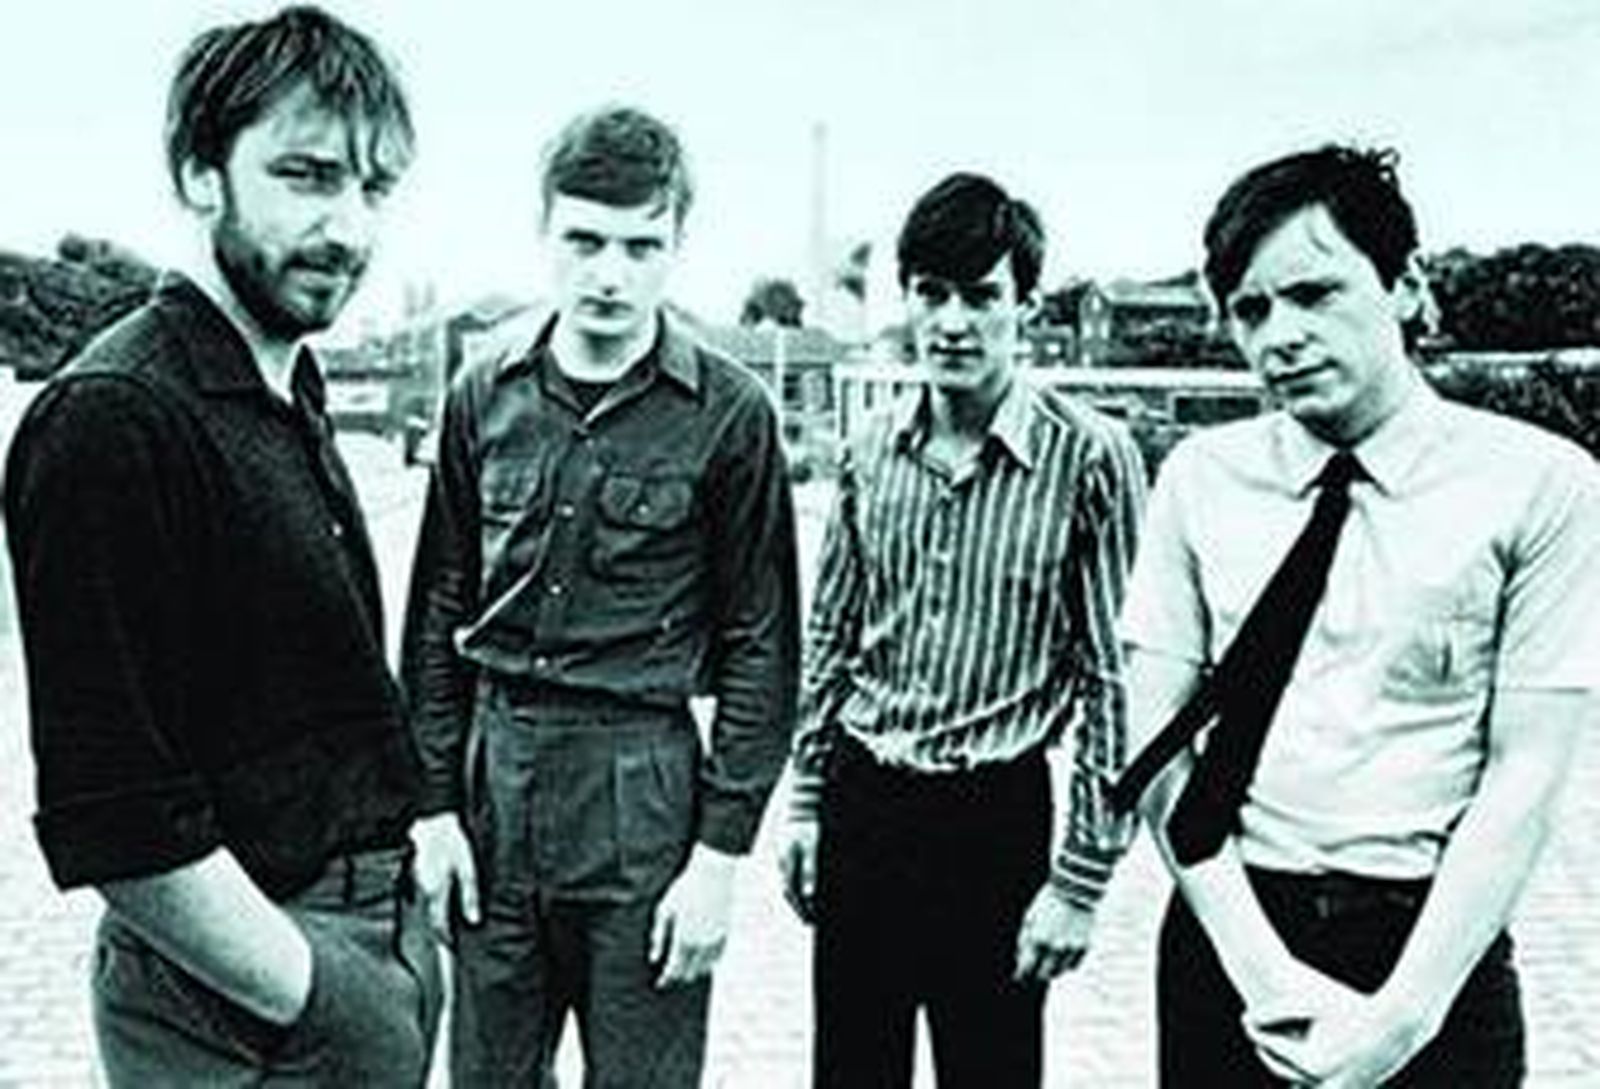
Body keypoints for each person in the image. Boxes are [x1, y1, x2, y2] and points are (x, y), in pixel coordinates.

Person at [4, 6, 441, 1086]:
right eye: (304, 175)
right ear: (203, 174)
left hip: (357, 947)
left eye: (371, 187)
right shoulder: (113, 417)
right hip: (240, 1004)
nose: (346, 226)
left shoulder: (284, 378)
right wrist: (323, 998)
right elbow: (115, 814)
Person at [1115, 145, 1600, 1086]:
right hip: (1232, 932)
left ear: (1405, 285)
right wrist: (1262, 975)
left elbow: (1527, 772)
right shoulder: (1199, 479)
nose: (1278, 336)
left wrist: (1401, 1020)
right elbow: (1157, 740)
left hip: (1433, 952)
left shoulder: (1542, 486)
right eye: (1249, 311)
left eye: (1313, 294)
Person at [402, 104, 801, 1087]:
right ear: (545, 232)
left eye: (639, 245)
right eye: (583, 239)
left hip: (645, 793)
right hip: (494, 791)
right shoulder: (482, 391)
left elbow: (762, 644)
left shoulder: (731, 416)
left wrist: (718, 859)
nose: (608, 273)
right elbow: (436, 611)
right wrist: (433, 812)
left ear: (676, 246)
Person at [782, 172, 1147, 1088]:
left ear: (1024, 304)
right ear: (907, 299)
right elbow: (832, 637)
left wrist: (1080, 880)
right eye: (931, 294)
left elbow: (1112, 678)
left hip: (993, 823)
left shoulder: (1090, 457)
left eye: (981, 296)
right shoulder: (870, 452)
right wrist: (809, 799)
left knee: (991, 1071)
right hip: (868, 808)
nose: (952, 322)